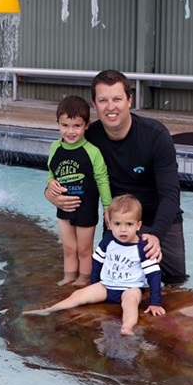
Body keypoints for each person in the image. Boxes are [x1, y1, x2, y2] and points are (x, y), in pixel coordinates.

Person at [45, 69, 188, 285]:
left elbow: (170, 194)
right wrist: (50, 193)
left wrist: (156, 234)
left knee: (175, 281)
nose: (110, 107)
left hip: (157, 219)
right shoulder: (87, 138)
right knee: (110, 282)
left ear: (129, 100)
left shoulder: (155, 136)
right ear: (94, 104)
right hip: (117, 221)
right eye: (103, 100)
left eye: (117, 99)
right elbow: (59, 169)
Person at [24, 194, 165, 335]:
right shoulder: (108, 240)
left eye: (129, 224)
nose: (123, 229)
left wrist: (155, 302)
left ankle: (127, 327)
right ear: (109, 224)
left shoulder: (142, 247)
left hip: (130, 288)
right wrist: (94, 284)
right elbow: (97, 262)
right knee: (78, 295)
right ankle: (49, 310)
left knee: (130, 303)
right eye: (117, 224)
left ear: (138, 225)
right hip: (106, 286)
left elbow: (154, 274)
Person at [46, 95, 111, 287]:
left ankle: (84, 278)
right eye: (65, 125)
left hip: (86, 208)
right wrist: (51, 183)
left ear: (86, 125)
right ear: (57, 123)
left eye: (76, 126)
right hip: (64, 208)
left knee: (84, 249)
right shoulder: (55, 147)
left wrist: (108, 206)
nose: (70, 131)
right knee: (68, 248)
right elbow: (51, 172)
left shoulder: (92, 151)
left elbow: (102, 180)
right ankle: (69, 276)